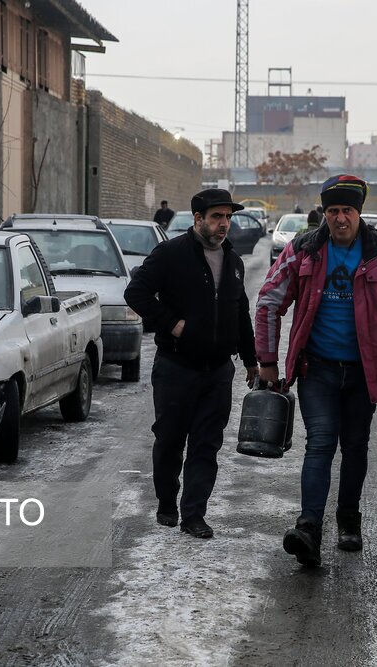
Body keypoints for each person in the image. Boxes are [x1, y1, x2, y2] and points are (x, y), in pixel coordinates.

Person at [255, 174, 377, 566]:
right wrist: (267, 362)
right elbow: (268, 300)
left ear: (358, 212)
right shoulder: (304, 251)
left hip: (365, 374)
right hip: (318, 369)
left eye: (347, 211)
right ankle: (309, 528)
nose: (340, 219)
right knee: (319, 442)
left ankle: (349, 521)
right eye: (332, 211)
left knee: (354, 447)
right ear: (325, 214)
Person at [126, 188, 260, 539]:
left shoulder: (233, 261)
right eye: (217, 217)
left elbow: (239, 312)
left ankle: (194, 515)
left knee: (206, 444)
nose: (224, 224)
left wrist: (250, 359)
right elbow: (135, 292)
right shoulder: (172, 254)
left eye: (228, 217)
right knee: (169, 441)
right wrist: (171, 322)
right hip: (176, 368)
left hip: (217, 372)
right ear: (198, 218)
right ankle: (167, 502)